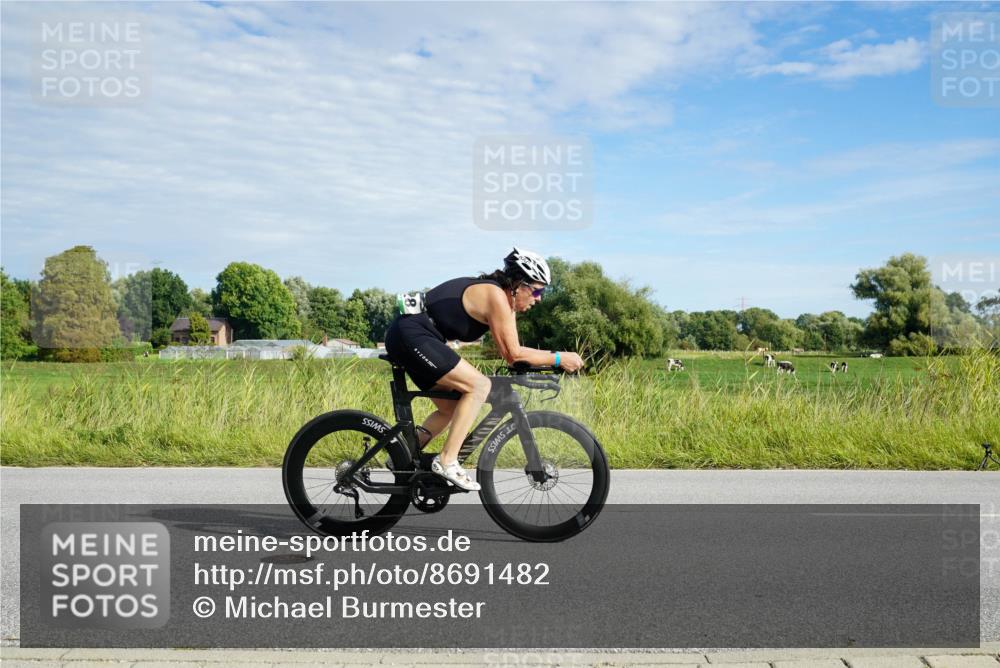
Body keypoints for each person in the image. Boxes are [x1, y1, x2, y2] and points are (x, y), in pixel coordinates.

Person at [383, 248, 585, 491]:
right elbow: (514, 355)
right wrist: (559, 358)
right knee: (479, 385)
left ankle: (401, 455)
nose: (539, 298)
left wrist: (543, 362)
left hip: (416, 335)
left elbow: (513, 353)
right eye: (538, 290)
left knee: (451, 408)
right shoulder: (496, 296)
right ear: (520, 284)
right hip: (413, 333)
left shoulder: (502, 300)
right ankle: (447, 461)